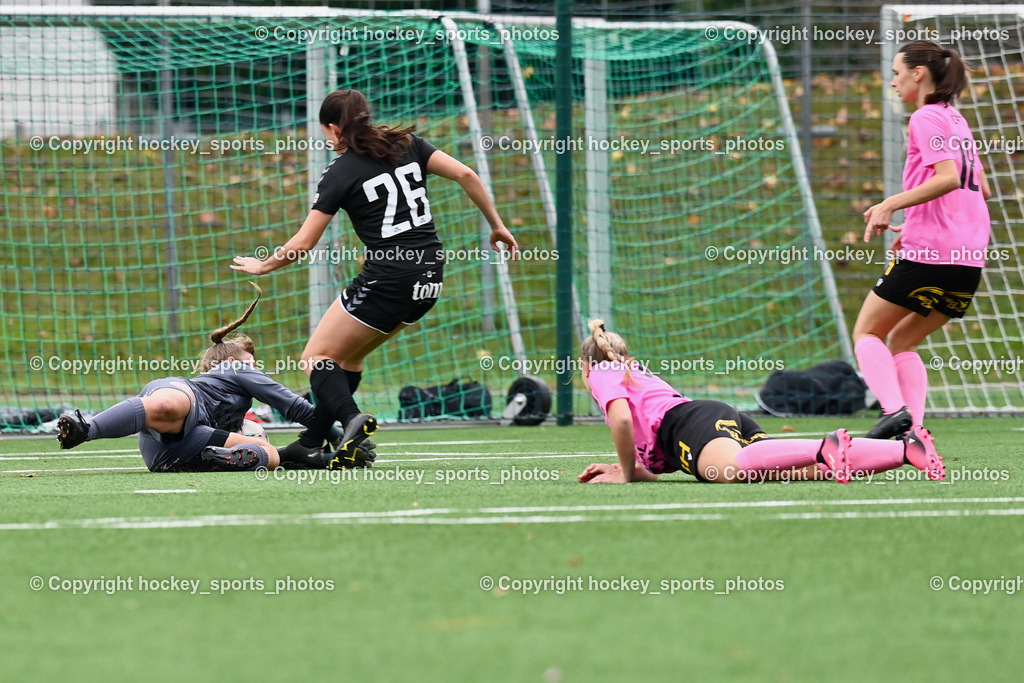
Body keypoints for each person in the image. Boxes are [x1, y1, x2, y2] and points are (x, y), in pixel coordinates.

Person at [230, 89, 518, 469]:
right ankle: (311, 442)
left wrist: (264, 265)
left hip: (390, 277)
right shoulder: (408, 144)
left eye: (326, 133)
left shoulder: (340, 171)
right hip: (430, 275)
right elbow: (466, 173)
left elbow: (304, 241)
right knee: (347, 359)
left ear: (334, 127)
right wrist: (496, 226)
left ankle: (351, 420)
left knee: (316, 358)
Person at [576, 320, 945, 485]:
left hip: (691, 422)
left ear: (583, 366)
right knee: (799, 471)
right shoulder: (632, 373)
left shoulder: (602, 371)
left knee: (731, 471)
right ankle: (904, 451)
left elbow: (622, 420)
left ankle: (826, 446)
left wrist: (624, 475)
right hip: (709, 419)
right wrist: (623, 469)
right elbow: (663, 463)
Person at [55, 284, 362, 473]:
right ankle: (86, 429)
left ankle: (213, 458)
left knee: (269, 456)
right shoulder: (228, 373)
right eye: (252, 364)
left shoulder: (236, 406)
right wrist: (337, 433)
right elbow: (291, 405)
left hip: (170, 455)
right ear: (230, 362)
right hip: (185, 404)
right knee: (169, 406)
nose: (256, 370)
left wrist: (330, 458)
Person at [855, 40, 991, 439]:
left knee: (867, 332)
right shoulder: (957, 121)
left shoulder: (925, 117)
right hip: (966, 259)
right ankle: (912, 434)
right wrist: (916, 224)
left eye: (897, 73)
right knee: (901, 342)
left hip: (931, 255)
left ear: (918, 74)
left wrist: (889, 205)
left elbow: (948, 178)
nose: (893, 82)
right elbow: (978, 188)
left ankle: (894, 412)